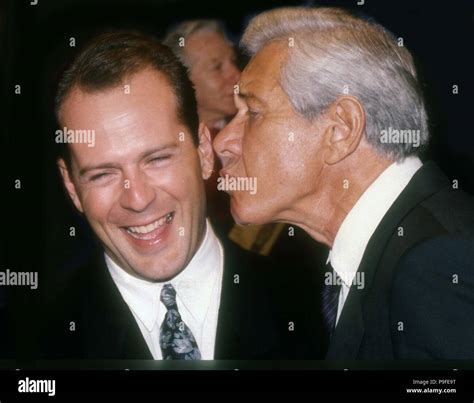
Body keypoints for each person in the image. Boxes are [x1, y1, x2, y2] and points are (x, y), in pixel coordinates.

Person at [213, 7, 474, 359]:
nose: (222, 142)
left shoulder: (434, 266)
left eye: (253, 113)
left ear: (341, 130)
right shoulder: (403, 248)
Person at [42, 31, 293, 360]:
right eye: (103, 174)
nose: (138, 199)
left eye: (157, 159)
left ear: (204, 152)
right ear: (72, 187)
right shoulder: (30, 344)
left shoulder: (319, 307)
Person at [164, 20, 288, 254]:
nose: (237, 75)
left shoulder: (263, 126)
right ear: (181, 80)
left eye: (232, 61)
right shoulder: (168, 152)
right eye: (216, 67)